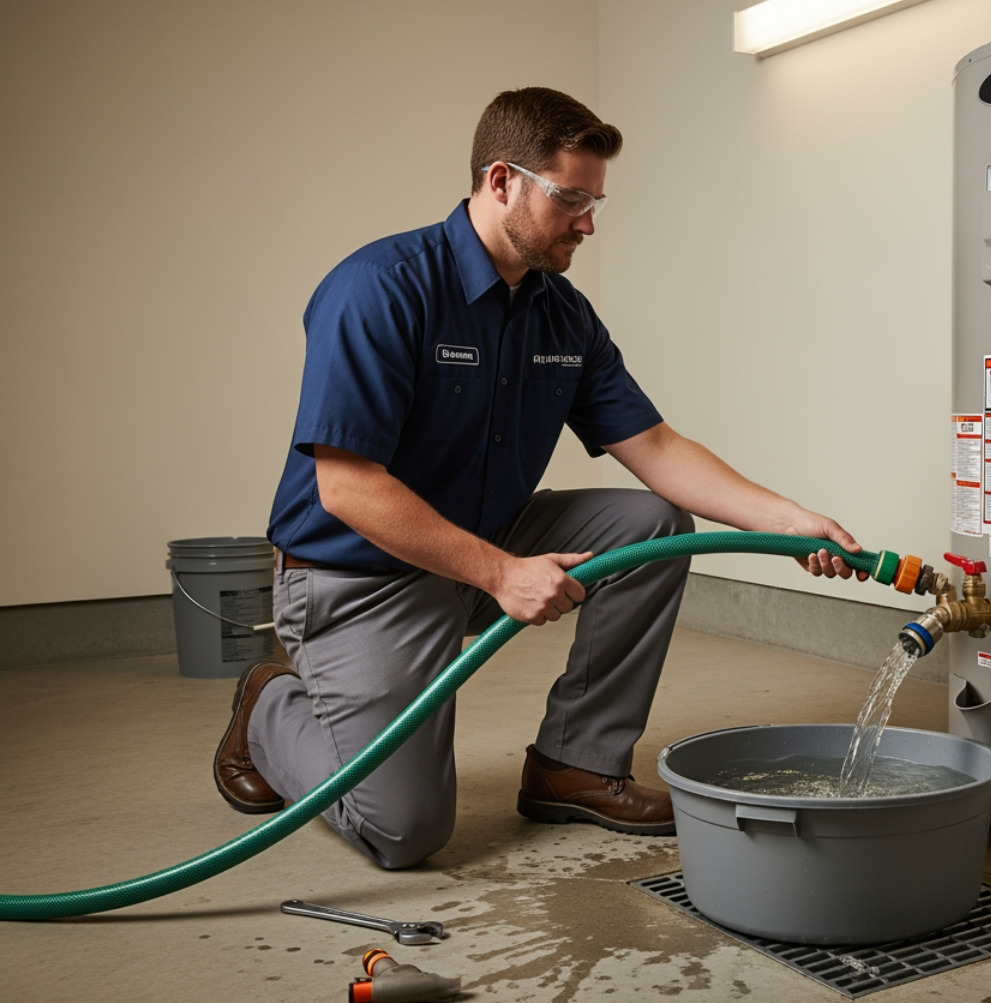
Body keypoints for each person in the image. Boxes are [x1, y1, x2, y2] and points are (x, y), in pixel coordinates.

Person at [213, 87, 865, 870]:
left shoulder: (563, 315)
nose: (589, 222)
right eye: (571, 198)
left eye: (596, 199)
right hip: (359, 575)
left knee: (648, 524)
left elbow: (652, 445)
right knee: (403, 830)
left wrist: (783, 518)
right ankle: (268, 707)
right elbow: (348, 489)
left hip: (484, 542)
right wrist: (500, 574)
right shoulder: (380, 288)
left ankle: (575, 765)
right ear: (501, 181)